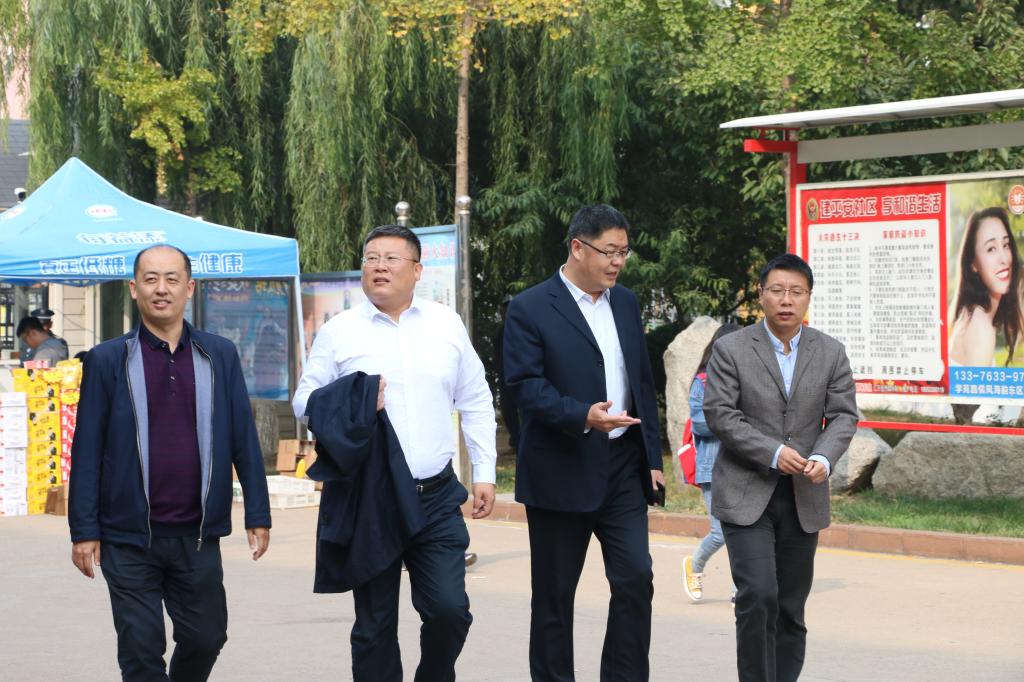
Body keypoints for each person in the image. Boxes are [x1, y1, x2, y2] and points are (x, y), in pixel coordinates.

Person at [292, 224, 497, 682]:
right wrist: (356, 398)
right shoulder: (339, 332)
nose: (379, 267)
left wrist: (484, 472)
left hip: (435, 495)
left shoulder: (446, 324)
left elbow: (476, 399)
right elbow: (304, 403)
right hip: (370, 497)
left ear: (417, 270)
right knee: (374, 628)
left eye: (391, 258)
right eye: (371, 258)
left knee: (449, 611)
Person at [68, 244, 272, 682]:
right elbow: (87, 450)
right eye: (150, 279)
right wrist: (83, 530)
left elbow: (243, 437)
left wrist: (258, 512)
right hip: (127, 536)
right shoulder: (108, 359)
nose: (161, 289)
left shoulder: (219, 355)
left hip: (196, 535)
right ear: (134, 289)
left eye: (172, 279)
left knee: (206, 637)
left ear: (189, 287)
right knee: (141, 652)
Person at [503, 204, 664, 681]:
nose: (618, 262)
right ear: (578, 247)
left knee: (635, 578)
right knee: (554, 597)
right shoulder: (530, 307)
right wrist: (581, 416)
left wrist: (652, 457)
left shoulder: (625, 303)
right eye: (609, 251)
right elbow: (524, 387)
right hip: (561, 467)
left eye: (624, 253)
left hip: (623, 466)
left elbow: (641, 381)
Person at [703, 253, 858, 682]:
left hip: (803, 495)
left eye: (796, 292)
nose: (786, 300)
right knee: (758, 595)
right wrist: (772, 452)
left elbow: (843, 416)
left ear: (808, 297)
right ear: (761, 295)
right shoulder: (732, 348)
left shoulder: (830, 351)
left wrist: (823, 457)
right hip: (746, 493)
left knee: (790, 606)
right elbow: (720, 413)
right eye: (776, 290)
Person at [682, 322, 739, 604]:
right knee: (720, 533)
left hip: (744, 466)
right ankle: (695, 565)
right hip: (712, 467)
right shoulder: (703, 382)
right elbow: (700, 424)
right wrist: (735, 420)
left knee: (744, 532)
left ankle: (740, 588)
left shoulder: (748, 379)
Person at [949, 206, 1024, 366]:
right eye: (991, 249)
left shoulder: (972, 313)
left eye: (1006, 245)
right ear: (973, 264)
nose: (1004, 258)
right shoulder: (981, 327)